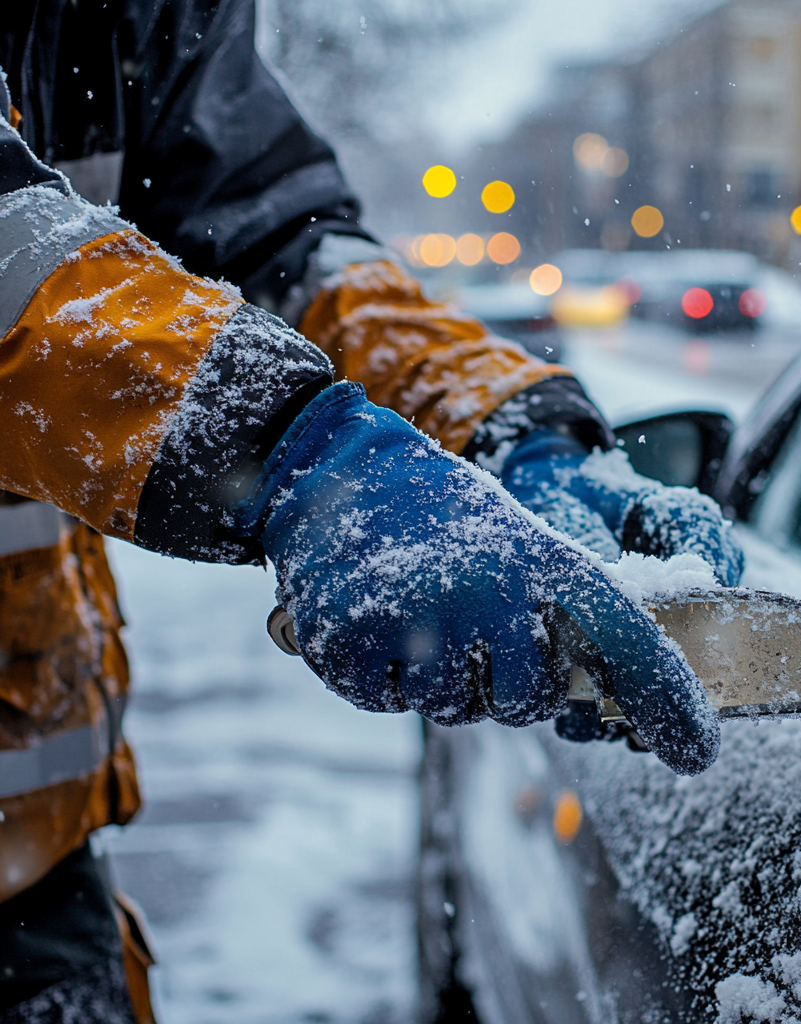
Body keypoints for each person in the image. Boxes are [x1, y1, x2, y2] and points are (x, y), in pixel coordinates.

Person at [0, 2, 742, 1021]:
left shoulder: (136, 16)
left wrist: (499, 426)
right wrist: (287, 446)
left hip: (32, 854)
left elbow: (284, 248)